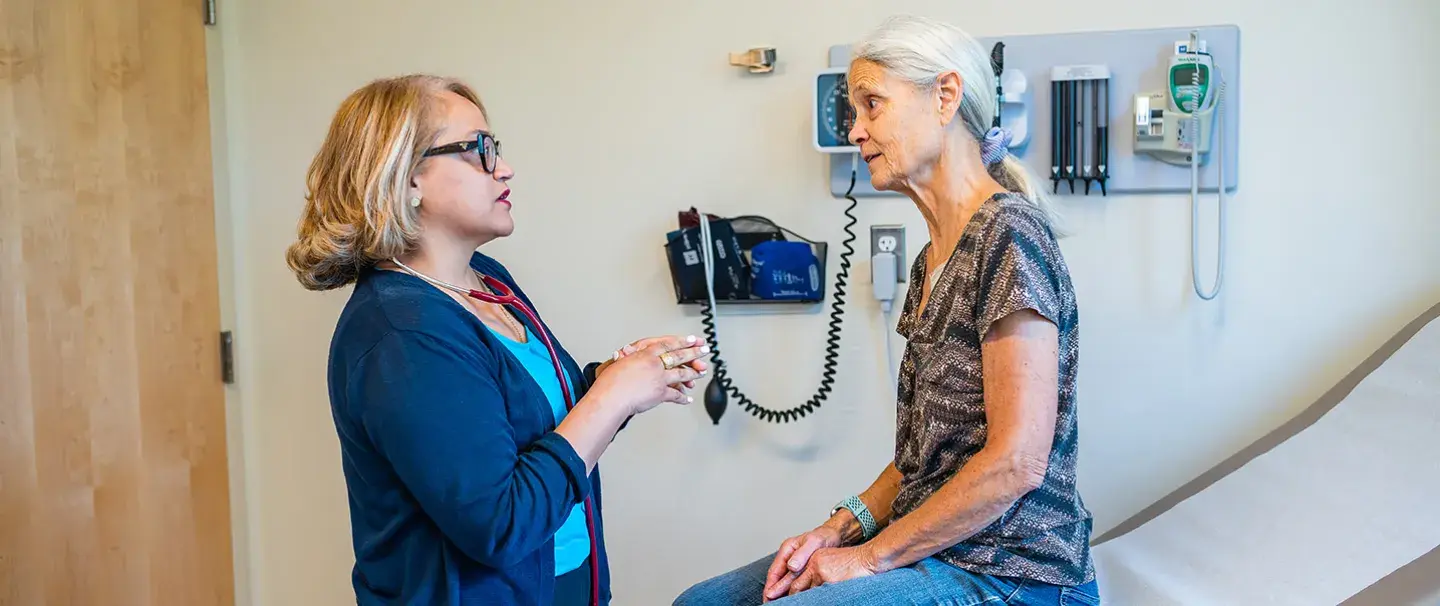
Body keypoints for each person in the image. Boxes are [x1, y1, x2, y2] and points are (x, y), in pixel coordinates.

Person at [674, 15, 1098, 605]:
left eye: (872, 105)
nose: (856, 131)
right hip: (935, 553)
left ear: (945, 96)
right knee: (703, 604)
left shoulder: (1008, 235)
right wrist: (838, 529)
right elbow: (920, 461)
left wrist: (869, 560)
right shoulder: (934, 259)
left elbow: (1016, 463)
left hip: (1013, 574)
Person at [285, 74, 710, 606]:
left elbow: (523, 427)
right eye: (479, 150)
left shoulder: (487, 279)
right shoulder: (401, 331)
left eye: (498, 149)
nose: (504, 168)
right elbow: (501, 523)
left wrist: (621, 380)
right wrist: (613, 396)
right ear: (407, 177)